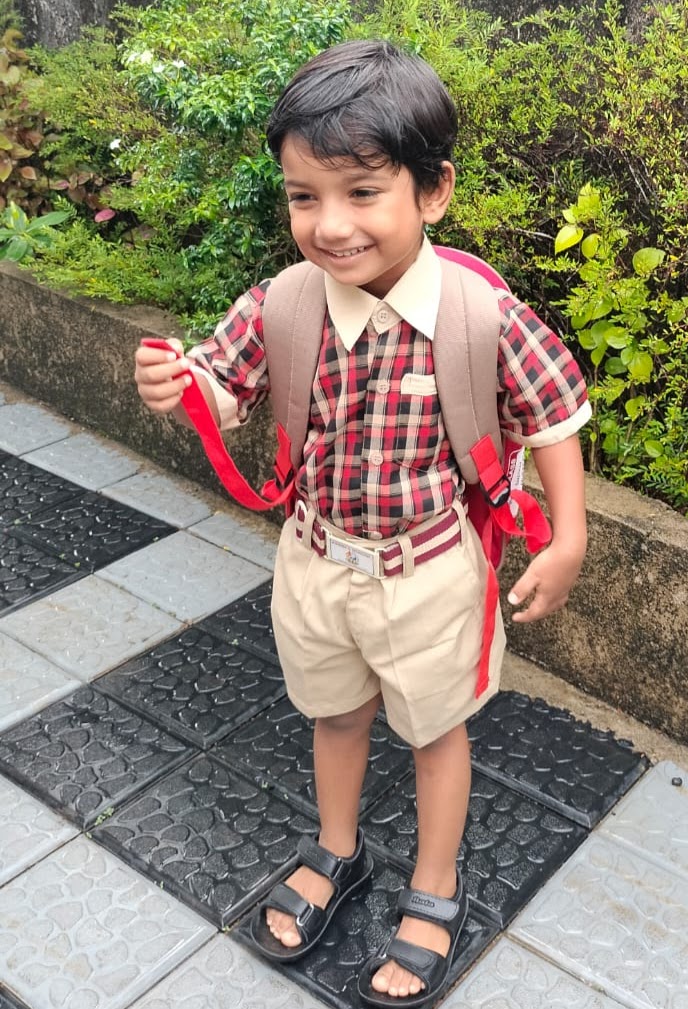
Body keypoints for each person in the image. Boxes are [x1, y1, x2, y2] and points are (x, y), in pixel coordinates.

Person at [134, 38, 589, 1008]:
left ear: (432, 192)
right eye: (304, 196)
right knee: (333, 712)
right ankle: (335, 848)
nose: (330, 224)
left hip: (431, 568)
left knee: (435, 730)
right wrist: (182, 385)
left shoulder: (481, 316)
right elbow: (225, 386)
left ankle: (435, 884)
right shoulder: (283, 304)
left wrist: (570, 534)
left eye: (362, 192)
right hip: (313, 558)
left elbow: (554, 411)